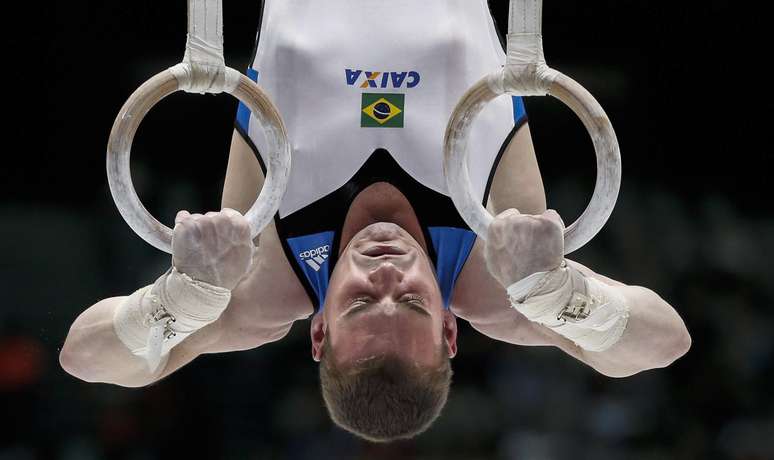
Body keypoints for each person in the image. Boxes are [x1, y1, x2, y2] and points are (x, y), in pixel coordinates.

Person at [60, 0, 691, 443]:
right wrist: (561, 296)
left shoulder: (259, 292)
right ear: (450, 329)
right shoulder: (502, 288)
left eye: (361, 303)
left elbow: (84, 358)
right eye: (414, 303)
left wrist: (184, 296)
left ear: (318, 332)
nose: (386, 276)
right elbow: (665, 342)